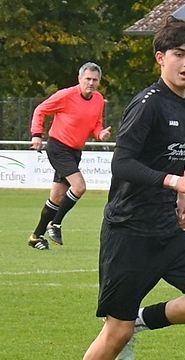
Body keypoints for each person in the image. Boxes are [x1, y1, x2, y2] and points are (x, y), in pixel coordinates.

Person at [50, 17, 185, 360]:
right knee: (114, 331)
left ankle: (141, 322)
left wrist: (179, 196)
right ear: (160, 58)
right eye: (179, 55)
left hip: (165, 228)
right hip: (129, 230)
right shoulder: (148, 103)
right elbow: (123, 163)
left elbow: (169, 161)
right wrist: (174, 184)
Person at [27, 62, 112, 250]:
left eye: (94, 80)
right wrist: (36, 135)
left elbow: (96, 125)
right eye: (87, 79)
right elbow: (40, 109)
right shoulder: (66, 95)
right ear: (79, 79)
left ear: (99, 82)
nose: (91, 83)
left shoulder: (98, 99)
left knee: (57, 197)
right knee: (79, 187)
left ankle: (36, 236)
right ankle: (55, 224)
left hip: (75, 151)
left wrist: (101, 134)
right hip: (58, 147)